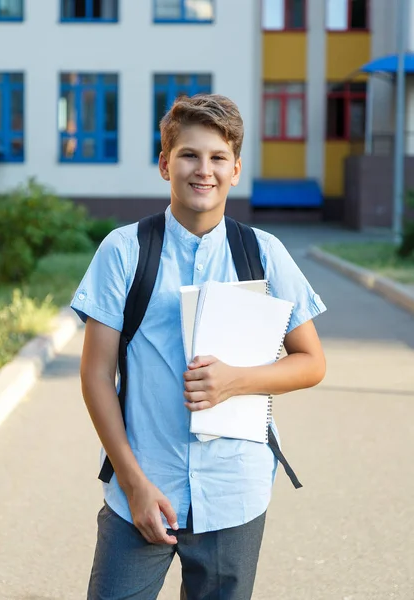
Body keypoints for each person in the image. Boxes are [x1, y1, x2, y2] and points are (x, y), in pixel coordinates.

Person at [71, 94, 327, 600]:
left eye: (216, 158)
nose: (202, 170)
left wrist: (238, 380)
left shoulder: (262, 253)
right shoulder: (125, 250)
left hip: (234, 493)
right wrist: (134, 484)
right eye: (189, 155)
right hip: (143, 490)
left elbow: (312, 362)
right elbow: (96, 375)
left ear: (235, 168)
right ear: (165, 163)